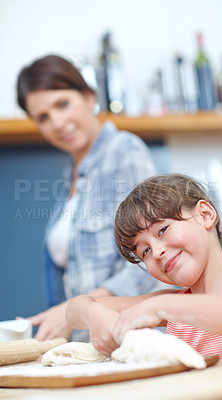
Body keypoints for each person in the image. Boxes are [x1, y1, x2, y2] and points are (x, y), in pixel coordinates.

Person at [17, 54, 160, 342]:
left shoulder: (124, 152)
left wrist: (74, 310)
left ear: (88, 97)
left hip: (132, 339)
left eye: (62, 104)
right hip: (92, 345)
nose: (57, 123)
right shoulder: (69, 179)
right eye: (43, 117)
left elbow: (153, 257)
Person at [66, 173, 222, 361]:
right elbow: (75, 308)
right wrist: (93, 315)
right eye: (145, 251)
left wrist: (159, 308)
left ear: (205, 215)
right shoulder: (170, 301)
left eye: (162, 230)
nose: (156, 252)